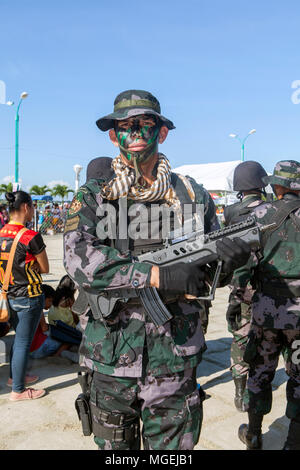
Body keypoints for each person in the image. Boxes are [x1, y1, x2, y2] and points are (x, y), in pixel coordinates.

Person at [63, 89, 251, 450]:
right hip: (111, 357)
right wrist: (153, 275)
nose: (134, 134)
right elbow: (79, 259)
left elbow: (210, 275)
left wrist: (228, 261)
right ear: (113, 135)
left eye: (144, 125)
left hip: (174, 357)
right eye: (125, 126)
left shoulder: (191, 194)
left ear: (162, 132)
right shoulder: (95, 195)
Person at [233, 160, 300, 450]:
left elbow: (242, 267)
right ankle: (293, 442)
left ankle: (255, 435)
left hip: (266, 313)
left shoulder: (258, 215)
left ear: (277, 186)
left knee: (260, 373)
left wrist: (242, 301)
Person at [223, 161, 268, 412]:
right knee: (268, 338)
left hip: (242, 285)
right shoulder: (272, 208)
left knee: (241, 338)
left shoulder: (231, 212)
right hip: (269, 284)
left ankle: (240, 393)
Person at [0, 190, 49, 401]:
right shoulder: (31, 236)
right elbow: (45, 267)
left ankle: (15, 377)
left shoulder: (1, 232)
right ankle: (18, 390)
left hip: (8, 295)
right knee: (22, 342)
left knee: (18, 339)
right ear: (27, 207)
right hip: (28, 296)